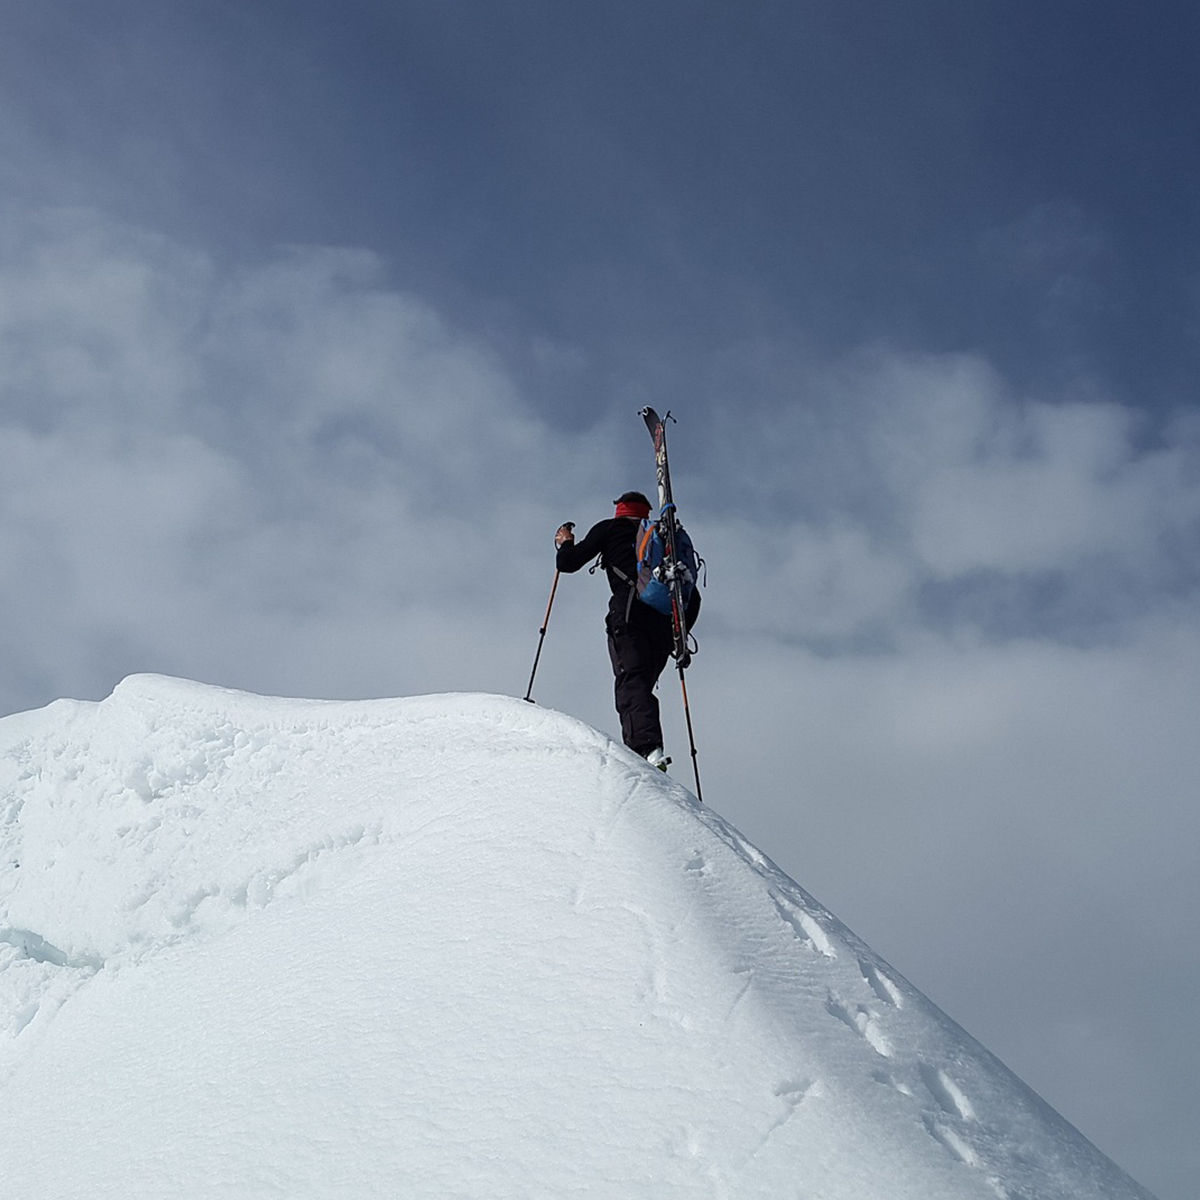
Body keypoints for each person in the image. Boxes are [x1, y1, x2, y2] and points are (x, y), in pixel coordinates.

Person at [554, 491, 700, 767]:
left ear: (619, 509)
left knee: (631, 680)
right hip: (663, 625)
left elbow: (567, 564)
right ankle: (647, 746)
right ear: (644, 512)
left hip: (629, 615)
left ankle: (646, 751)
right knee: (641, 684)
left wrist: (565, 543)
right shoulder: (660, 539)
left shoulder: (611, 528)